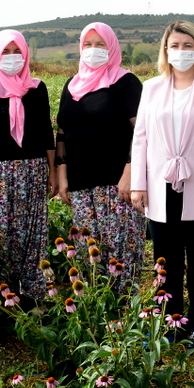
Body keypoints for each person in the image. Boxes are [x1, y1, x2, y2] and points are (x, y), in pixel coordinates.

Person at [131, 21, 194, 345]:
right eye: (175, 46)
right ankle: (170, 325)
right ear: (165, 50)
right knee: (166, 259)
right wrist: (138, 183)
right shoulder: (152, 88)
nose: (181, 52)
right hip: (161, 187)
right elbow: (141, 138)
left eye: (187, 46)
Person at [54, 22, 145, 285]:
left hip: (116, 184)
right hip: (81, 184)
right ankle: (97, 318)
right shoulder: (72, 85)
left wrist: (129, 173)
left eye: (100, 44)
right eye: (88, 45)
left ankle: (125, 317)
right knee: (88, 253)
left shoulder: (126, 82)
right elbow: (62, 132)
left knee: (121, 253)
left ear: (112, 47)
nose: (93, 50)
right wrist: (62, 175)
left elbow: (141, 132)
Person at [0, 30, 55, 302]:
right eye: (5, 52)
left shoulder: (36, 88)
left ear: (25, 53)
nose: (11, 57)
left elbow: (45, 133)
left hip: (34, 170)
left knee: (35, 233)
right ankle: (3, 299)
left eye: (16, 51)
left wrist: (52, 172)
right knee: (0, 236)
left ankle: (34, 298)